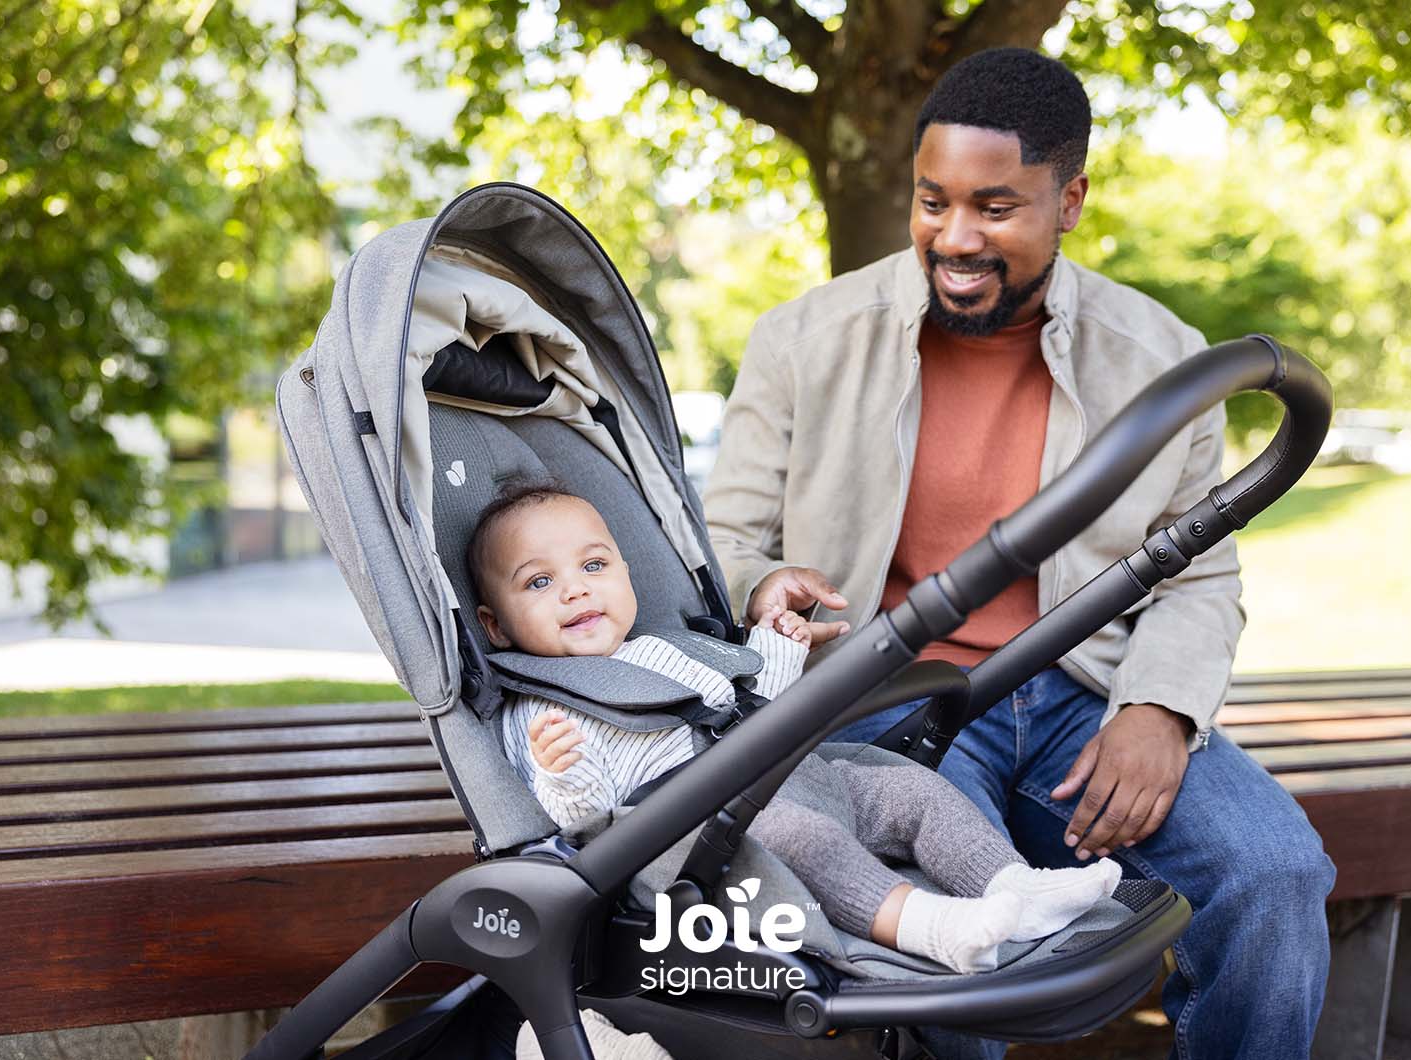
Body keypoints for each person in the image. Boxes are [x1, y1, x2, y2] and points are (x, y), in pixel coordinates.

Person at [703, 47, 1336, 1060]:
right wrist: (765, 581)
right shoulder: (803, 340)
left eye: (995, 208)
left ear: (1070, 199)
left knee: (1272, 873)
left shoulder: (1162, 358)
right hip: (889, 697)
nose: (953, 237)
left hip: (1085, 693)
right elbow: (726, 542)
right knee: (954, 943)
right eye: (932, 201)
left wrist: (1160, 709)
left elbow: (1201, 570)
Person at [468, 481, 1122, 977]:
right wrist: (562, 770)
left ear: (625, 573)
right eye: (540, 581)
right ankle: (932, 927)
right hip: (701, 834)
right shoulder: (540, 709)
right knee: (802, 839)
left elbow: (754, 698)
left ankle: (1014, 887)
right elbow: (583, 821)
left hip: (786, 777)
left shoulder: (664, 649)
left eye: (593, 567)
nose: (576, 592)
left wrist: (780, 644)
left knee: (911, 790)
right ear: (495, 625)